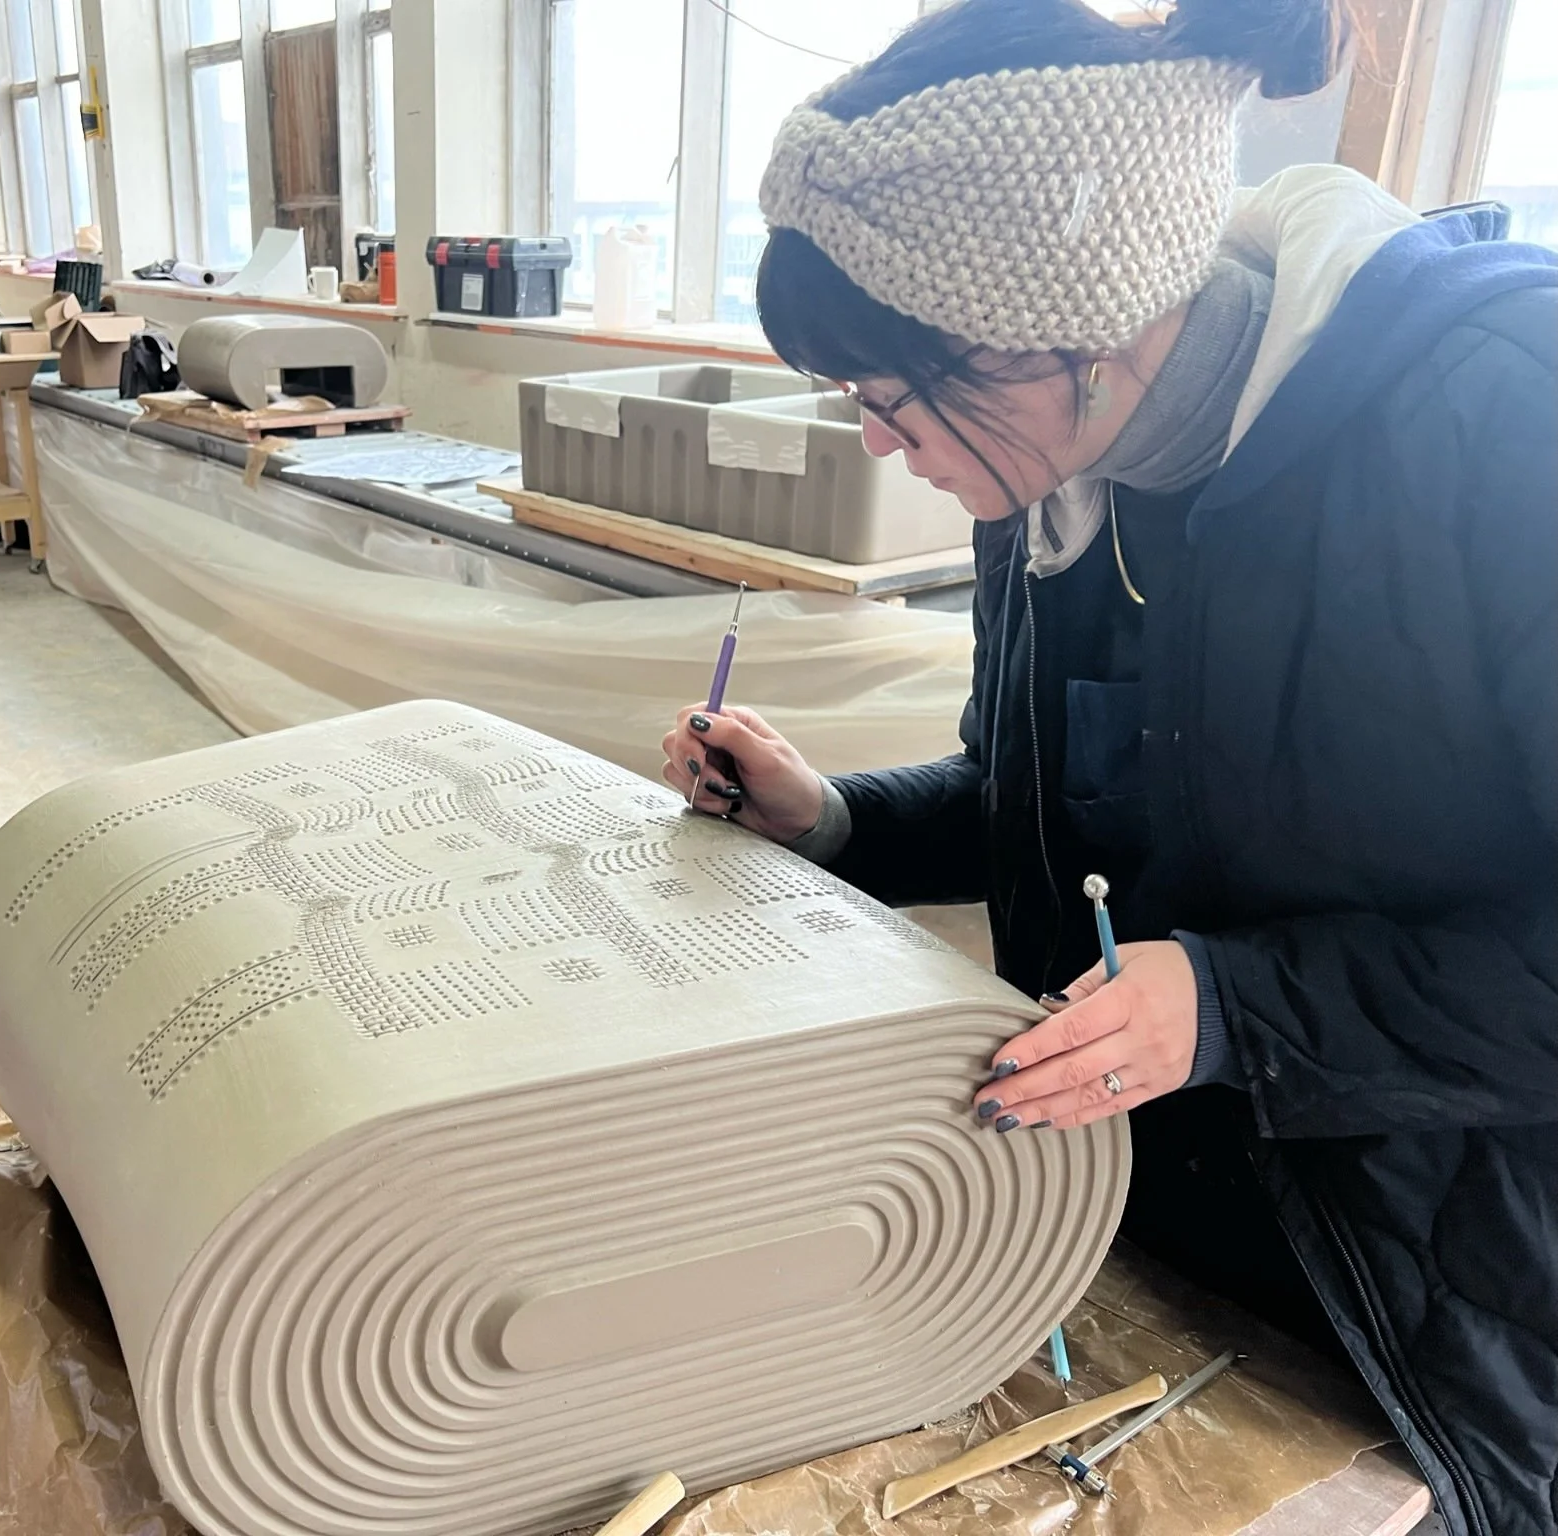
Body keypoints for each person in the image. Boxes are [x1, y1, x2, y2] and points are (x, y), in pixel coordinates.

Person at [659, 2, 1557, 1532]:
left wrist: (1238, 1010)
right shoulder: (1058, 476)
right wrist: (836, 821)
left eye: (890, 393)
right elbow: (1065, 818)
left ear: (1050, 329)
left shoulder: (1499, 414)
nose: (878, 443)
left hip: (1431, 1303)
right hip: (1129, 1229)